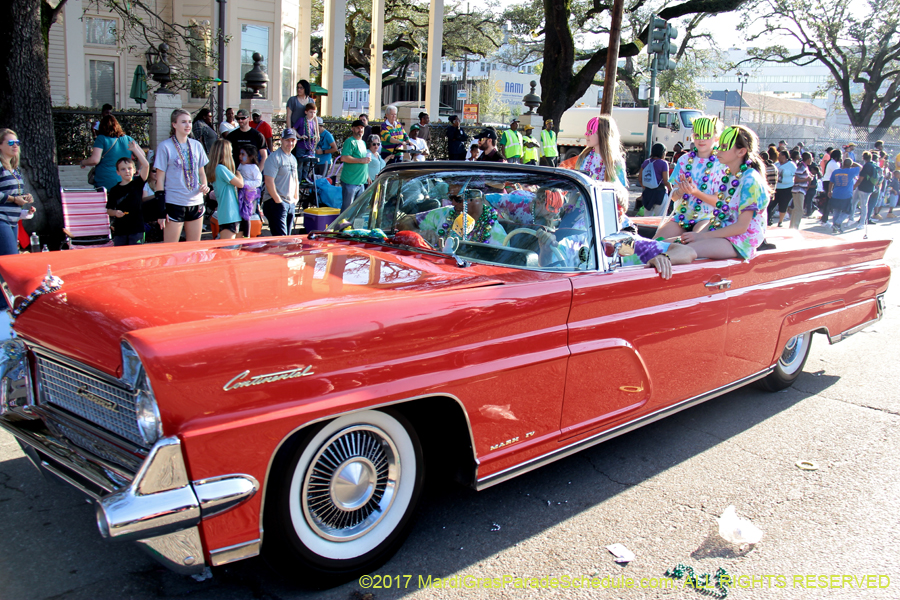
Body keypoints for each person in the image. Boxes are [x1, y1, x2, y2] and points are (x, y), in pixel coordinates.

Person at [677, 125, 771, 260]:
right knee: (667, 244)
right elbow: (721, 215)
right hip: (722, 234)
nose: (718, 150)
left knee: (682, 250)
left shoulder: (750, 179)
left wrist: (702, 236)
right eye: (719, 146)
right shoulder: (729, 176)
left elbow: (741, 227)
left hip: (740, 243)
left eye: (724, 147)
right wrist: (697, 236)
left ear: (741, 152)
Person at [654, 116, 720, 240]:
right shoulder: (684, 160)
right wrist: (681, 190)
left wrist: (696, 192)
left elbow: (720, 202)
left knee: (692, 242)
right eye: (697, 135)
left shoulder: (722, 162)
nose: (702, 139)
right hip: (682, 218)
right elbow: (674, 197)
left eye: (707, 135)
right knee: (656, 243)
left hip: (708, 218)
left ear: (716, 137)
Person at [153, 108, 210, 243]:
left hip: (196, 201)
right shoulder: (165, 146)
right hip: (174, 201)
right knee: (171, 249)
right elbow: (159, 179)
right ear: (174, 124)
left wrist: (205, 185)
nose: (188, 125)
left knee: (194, 248)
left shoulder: (197, 145)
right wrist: (161, 210)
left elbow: (201, 172)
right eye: (183, 122)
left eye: (189, 122)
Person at [105, 143, 150, 246]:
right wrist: (115, 212)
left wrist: (135, 150)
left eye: (129, 168)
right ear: (118, 172)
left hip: (137, 229)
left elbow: (146, 165)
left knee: (136, 253)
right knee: (121, 254)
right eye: (123, 169)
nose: (127, 171)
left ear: (134, 170)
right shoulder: (114, 190)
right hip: (120, 230)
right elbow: (109, 210)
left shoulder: (137, 183)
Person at [0, 129, 36, 255]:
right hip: (2, 218)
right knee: (11, 258)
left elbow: (10, 191)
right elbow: (10, 197)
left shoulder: (15, 169)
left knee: (8, 260)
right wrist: (14, 199)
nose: (15, 145)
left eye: (17, 142)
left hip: (13, 220)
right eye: (10, 142)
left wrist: (25, 197)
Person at [80, 114, 135, 192]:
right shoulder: (128, 139)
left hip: (106, 181)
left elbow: (95, 160)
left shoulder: (101, 139)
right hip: (125, 180)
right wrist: (137, 169)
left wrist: (83, 162)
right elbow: (142, 155)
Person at [205, 139, 245, 239]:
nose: (232, 154)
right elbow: (240, 184)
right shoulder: (221, 169)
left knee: (235, 246)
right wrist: (238, 173)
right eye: (230, 152)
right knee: (229, 247)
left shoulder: (218, 169)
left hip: (229, 214)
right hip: (230, 214)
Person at [262, 128, 299, 236]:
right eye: (287, 140)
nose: (290, 143)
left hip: (290, 203)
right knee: (281, 239)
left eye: (293, 140)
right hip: (276, 203)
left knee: (287, 239)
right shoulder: (274, 158)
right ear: (281, 140)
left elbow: (295, 179)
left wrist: (296, 198)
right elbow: (269, 181)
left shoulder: (293, 158)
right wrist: (278, 201)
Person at [339, 120, 371, 210]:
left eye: (362, 128)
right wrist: (360, 160)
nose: (360, 130)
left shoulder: (363, 142)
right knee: (347, 211)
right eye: (358, 128)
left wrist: (367, 176)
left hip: (361, 183)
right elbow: (344, 158)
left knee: (358, 211)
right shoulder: (349, 141)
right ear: (352, 129)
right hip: (350, 182)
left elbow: (364, 162)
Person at [828, 158, 860, 233]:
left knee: (836, 211)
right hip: (846, 195)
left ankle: (835, 228)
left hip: (836, 194)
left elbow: (831, 182)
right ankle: (837, 223)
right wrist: (853, 163)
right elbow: (861, 167)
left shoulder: (835, 172)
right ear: (850, 165)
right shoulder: (851, 171)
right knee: (848, 211)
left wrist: (829, 191)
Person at [236, 145, 263, 237]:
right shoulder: (241, 165)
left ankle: (246, 235)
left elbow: (258, 182)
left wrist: (244, 183)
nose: (240, 156)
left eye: (243, 154)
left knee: (246, 214)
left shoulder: (254, 167)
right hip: (240, 192)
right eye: (240, 154)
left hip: (249, 194)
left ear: (251, 156)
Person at [640, 143, 671, 217]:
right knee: (660, 217)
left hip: (647, 193)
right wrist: (672, 191)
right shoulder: (664, 163)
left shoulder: (646, 162)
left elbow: (640, 179)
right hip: (660, 193)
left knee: (647, 218)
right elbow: (666, 181)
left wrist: (647, 188)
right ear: (662, 152)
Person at [292, 103, 319, 180]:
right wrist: (300, 136)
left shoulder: (313, 123)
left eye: (314, 112)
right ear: (306, 112)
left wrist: (315, 137)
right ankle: (298, 180)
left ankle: (305, 179)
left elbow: (315, 133)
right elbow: (293, 129)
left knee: (307, 165)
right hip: (301, 146)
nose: (312, 114)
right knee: (300, 164)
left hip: (310, 147)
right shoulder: (301, 120)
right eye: (310, 112)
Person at [772, 150, 796, 227]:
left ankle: (780, 221)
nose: (778, 157)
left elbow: (795, 175)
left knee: (783, 205)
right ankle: (769, 219)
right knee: (771, 204)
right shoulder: (776, 164)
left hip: (787, 188)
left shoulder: (791, 165)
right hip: (776, 188)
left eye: (780, 155)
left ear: (784, 156)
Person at [819, 148, 841, 224]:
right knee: (828, 201)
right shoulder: (832, 163)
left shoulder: (835, 163)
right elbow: (838, 173)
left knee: (829, 201)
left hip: (830, 182)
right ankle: (824, 219)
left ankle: (824, 218)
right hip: (828, 182)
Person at [790, 150, 810, 228]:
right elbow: (796, 179)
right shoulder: (802, 167)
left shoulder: (804, 167)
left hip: (801, 190)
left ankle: (792, 226)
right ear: (808, 159)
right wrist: (807, 179)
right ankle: (795, 226)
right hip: (798, 190)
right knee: (799, 209)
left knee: (796, 209)